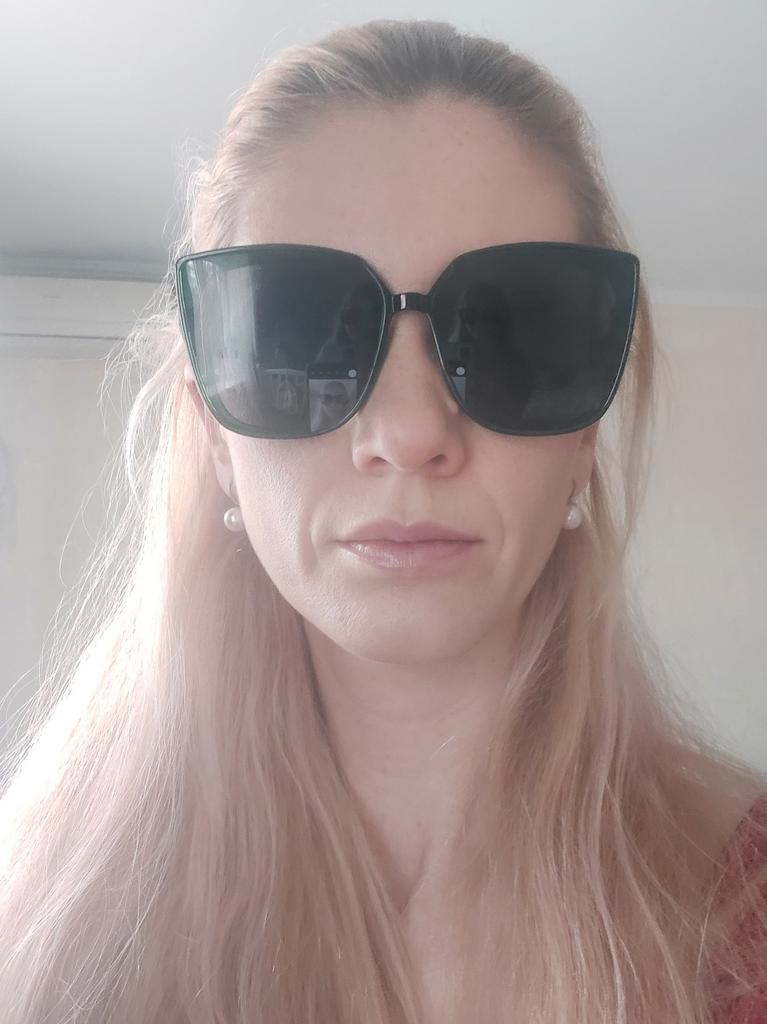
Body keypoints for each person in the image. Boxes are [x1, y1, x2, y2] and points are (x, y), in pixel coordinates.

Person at [0, 17, 765, 1024]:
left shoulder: (744, 917)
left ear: (583, 436)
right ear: (214, 431)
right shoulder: (42, 927)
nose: (408, 435)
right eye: (302, 336)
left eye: (510, 333)